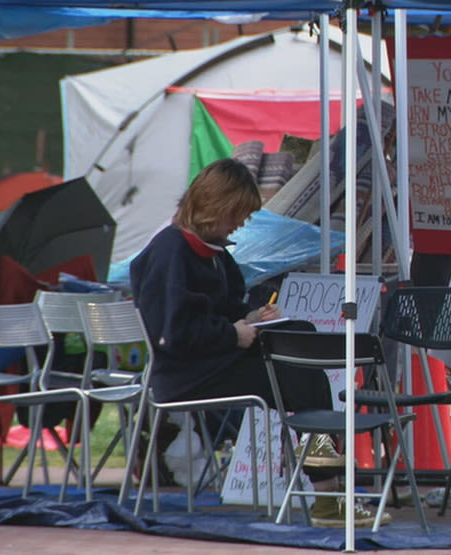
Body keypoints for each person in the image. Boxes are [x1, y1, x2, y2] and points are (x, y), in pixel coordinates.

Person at [129, 158, 389, 528]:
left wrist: (250, 318)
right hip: (186, 375)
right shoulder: (173, 251)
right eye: (237, 214)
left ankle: (325, 475)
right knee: (300, 372)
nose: (241, 223)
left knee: (299, 336)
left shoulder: (210, 251)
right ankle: (327, 488)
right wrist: (234, 333)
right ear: (215, 206)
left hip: (208, 363)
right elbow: (174, 334)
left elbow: (222, 310)